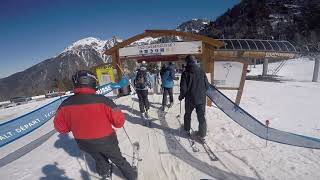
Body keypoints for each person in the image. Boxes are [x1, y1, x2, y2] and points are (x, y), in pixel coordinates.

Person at [53, 70, 137, 180]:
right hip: (106, 140)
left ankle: (105, 173)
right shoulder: (104, 101)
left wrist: (72, 125)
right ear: (92, 82)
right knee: (117, 159)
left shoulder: (65, 104)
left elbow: (61, 128)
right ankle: (132, 176)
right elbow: (119, 122)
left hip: (84, 142)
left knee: (99, 158)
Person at [178, 55, 209, 141]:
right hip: (201, 99)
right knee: (201, 116)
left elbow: (183, 88)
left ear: (187, 62)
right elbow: (207, 85)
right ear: (195, 61)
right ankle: (202, 134)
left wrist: (181, 96)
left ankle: (187, 130)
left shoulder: (185, 73)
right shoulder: (201, 71)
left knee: (188, 114)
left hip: (190, 99)